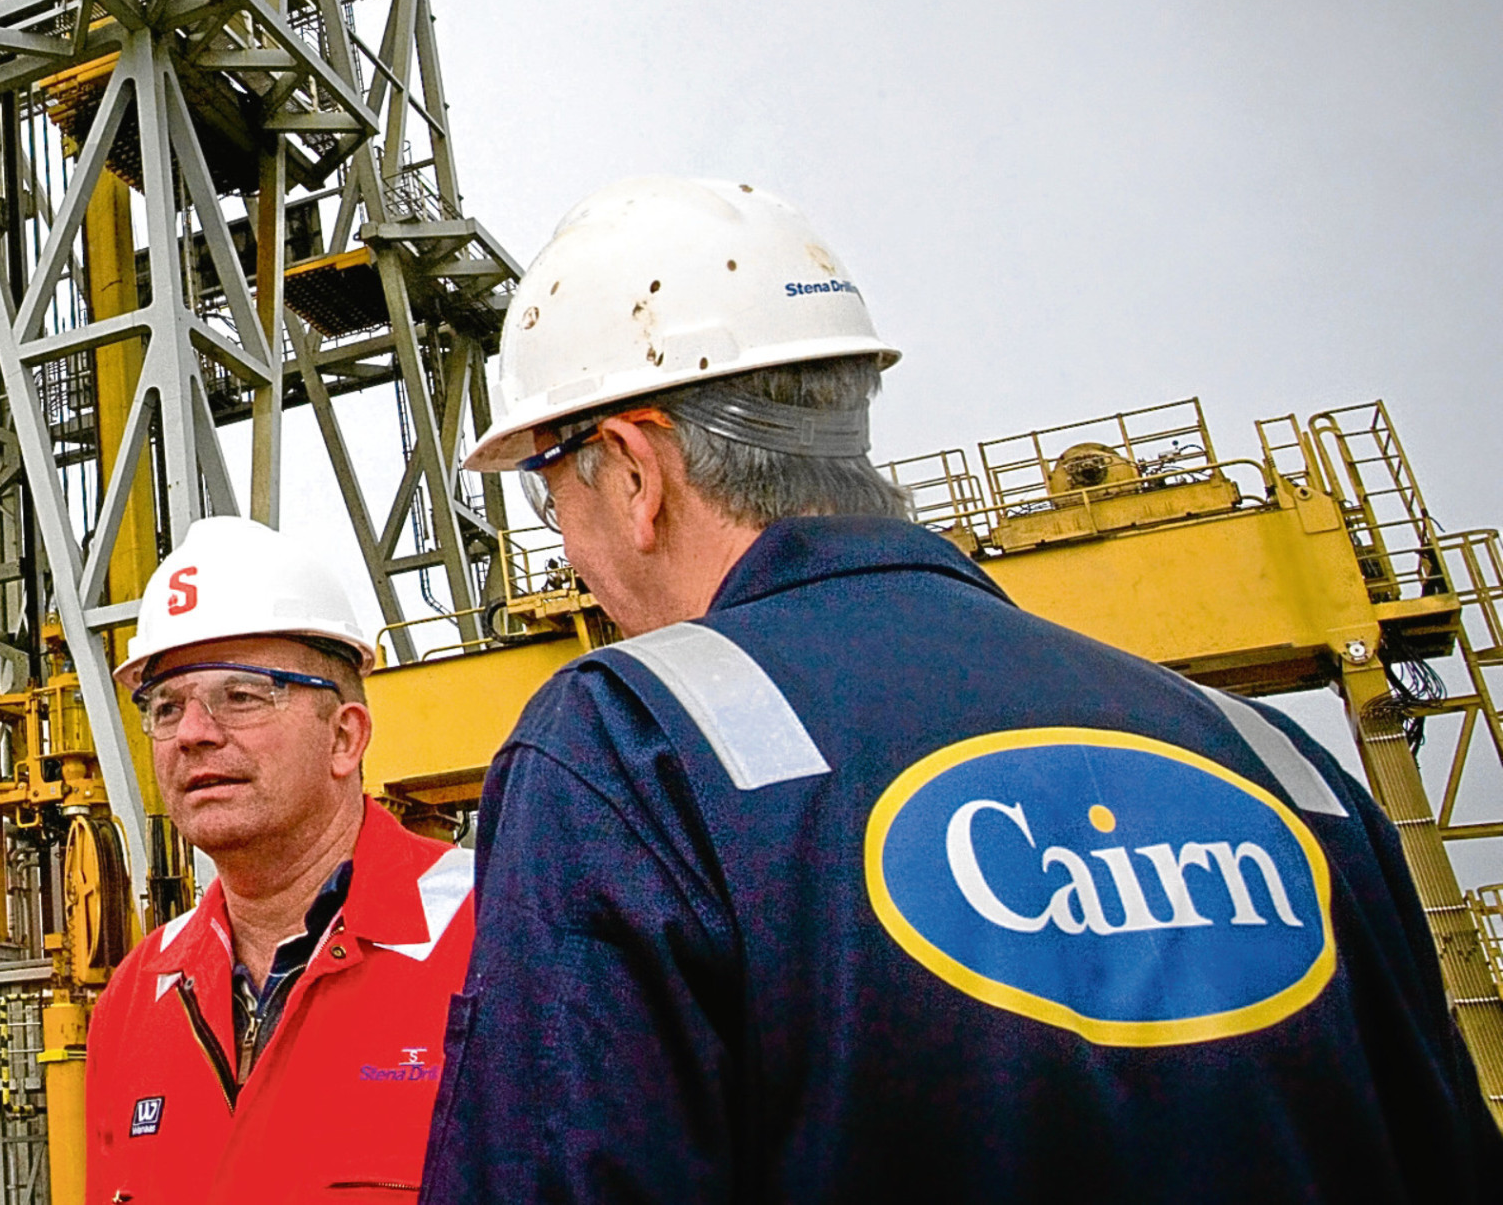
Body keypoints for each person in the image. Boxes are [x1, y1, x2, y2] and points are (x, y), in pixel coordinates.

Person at [419, 175, 1503, 1201]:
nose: (564, 545)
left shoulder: (629, 745)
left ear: (637, 473)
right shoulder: (1278, 762)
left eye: (549, 483)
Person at [83, 516, 476, 1202]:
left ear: (345, 737)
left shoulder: (492, 939)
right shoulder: (136, 997)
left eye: (241, 694)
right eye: (167, 706)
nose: (194, 735)